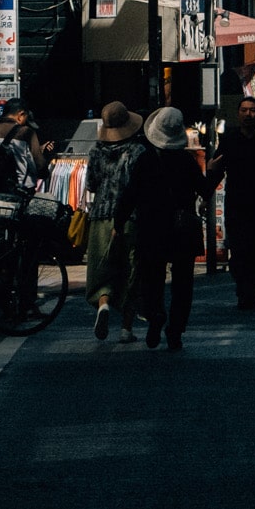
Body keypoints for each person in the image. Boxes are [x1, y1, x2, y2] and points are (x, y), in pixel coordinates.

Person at [115, 106, 203, 351]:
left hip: (152, 227)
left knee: (152, 278)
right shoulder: (188, 161)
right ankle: (176, 330)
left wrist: (118, 221)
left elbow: (130, 194)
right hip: (182, 228)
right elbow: (205, 189)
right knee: (183, 283)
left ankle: (155, 315)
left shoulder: (146, 159)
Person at [204, 97, 255, 310]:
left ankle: (251, 293)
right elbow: (217, 168)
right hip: (236, 204)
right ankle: (243, 289)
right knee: (239, 250)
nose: (248, 114)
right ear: (238, 113)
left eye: (252, 111)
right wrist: (206, 194)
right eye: (244, 110)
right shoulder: (230, 140)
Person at [83, 102, 147, 343]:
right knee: (131, 269)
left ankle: (103, 304)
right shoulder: (137, 150)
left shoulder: (96, 151)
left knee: (102, 267)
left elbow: (90, 184)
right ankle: (126, 329)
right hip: (130, 216)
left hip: (100, 215)